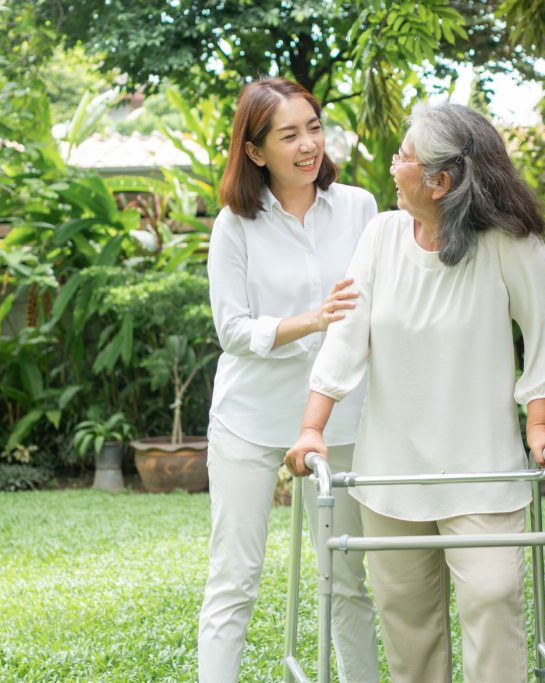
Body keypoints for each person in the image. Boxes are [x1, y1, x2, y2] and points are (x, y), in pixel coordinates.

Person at [284, 102, 545, 683]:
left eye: (404, 157)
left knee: (493, 599)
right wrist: (312, 426)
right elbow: (347, 335)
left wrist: (536, 425)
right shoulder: (383, 236)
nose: (393, 167)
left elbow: (544, 330)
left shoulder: (509, 243)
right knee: (408, 623)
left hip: (483, 471)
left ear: (440, 182)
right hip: (393, 471)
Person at [197, 77, 380, 683]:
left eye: (315, 127)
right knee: (235, 578)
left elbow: (379, 310)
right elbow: (232, 330)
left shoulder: (358, 208)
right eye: (289, 134)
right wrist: (312, 321)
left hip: (341, 418)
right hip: (248, 419)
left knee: (349, 575)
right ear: (254, 151)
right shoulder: (234, 225)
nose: (309, 145)